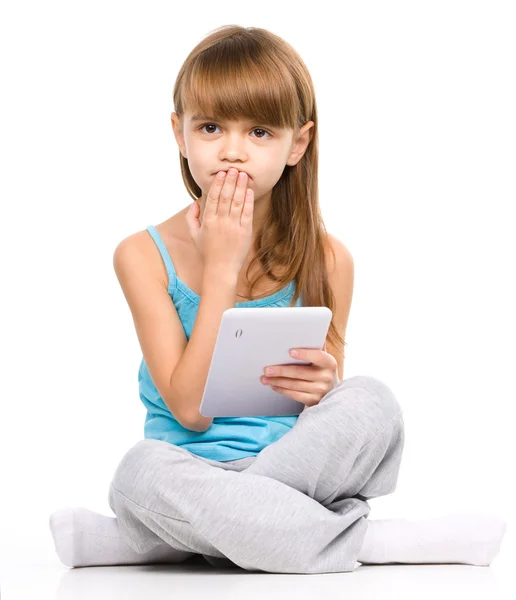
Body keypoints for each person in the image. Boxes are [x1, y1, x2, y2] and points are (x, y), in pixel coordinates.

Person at [49, 25, 506, 574]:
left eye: (261, 131)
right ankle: (365, 543)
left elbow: (326, 410)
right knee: (138, 473)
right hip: (185, 470)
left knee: (371, 400)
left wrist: (323, 386)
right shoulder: (142, 255)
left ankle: (178, 540)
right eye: (212, 127)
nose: (234, 151)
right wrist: (222, 266)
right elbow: (190, 413)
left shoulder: (330, 259)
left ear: (298, 143)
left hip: (287, 469)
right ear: (179, 133)